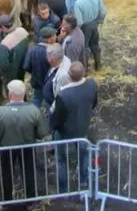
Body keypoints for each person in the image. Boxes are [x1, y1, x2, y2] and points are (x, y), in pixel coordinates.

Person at [0, 80, 48, 211]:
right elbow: (42, 133)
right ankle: (31, 199)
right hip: (27, 146)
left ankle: (6, 201)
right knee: (29, 171)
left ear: (9, 94)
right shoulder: (33, 110)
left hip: (7, 147)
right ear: (24, 94)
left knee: (6, 172)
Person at [52, 61, 98, 193]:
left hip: (65, 131)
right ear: (83, 73)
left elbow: (57, 119)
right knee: (83, 154)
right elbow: (94, 102)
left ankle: (63, 189)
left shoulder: (63, 94)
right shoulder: (92, 84)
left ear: (68, 76)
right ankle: (83, 180)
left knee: (61, 159)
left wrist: (54, 127)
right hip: (82, 127)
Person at [74, 0, 106, 70]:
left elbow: (79, 22)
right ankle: (98, 66)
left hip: (85, 26)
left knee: (85, 47)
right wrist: (98, 21)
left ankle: (85, 70)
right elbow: (103, 12)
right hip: (94, 23)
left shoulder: (78, 3)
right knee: (95, 44)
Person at [24, 26, 55, 108]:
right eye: (54, 36)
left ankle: (33, 116)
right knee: (50, 101)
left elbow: (26, 66)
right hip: (49, 82)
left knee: (37, 99)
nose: (56, 37)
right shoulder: (53, 52)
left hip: (37, 81)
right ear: (49, 39)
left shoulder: (32, 49)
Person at [0, 15, 30, 85]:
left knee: (12, 92)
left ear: (3, 27)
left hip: (10, 75)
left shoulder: (5, 44)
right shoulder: (22, 31)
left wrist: (3, 75)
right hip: (22, 68)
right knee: (20, 87)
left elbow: (2, 65)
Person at [44, 43, 71, 113]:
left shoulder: (63, 75)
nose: (47, 59)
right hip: (49, 99)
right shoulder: (62, 58)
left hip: (53, 105)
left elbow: (59, 97)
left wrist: (52, 111)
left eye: (49, 57)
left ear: (53, 59)